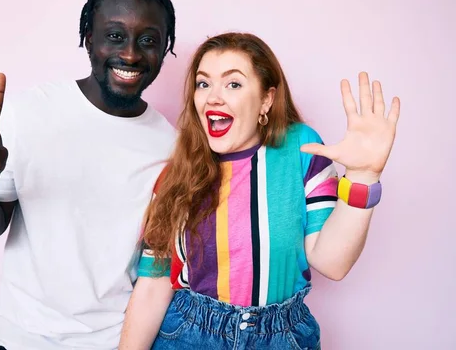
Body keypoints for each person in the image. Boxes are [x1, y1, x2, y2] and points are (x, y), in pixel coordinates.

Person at [118, 32, 400, 349]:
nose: (213, 97)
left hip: (281, 336)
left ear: (266, 99)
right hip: (189, 334)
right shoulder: (176, 176)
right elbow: (154, 284)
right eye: (203, 83)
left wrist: (363, 176)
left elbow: (333, 263)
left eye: (233, 84)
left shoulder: (301, 147)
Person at [0, 0, 178, 350]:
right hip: (20, 339)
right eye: (115, 36)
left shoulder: (170, 146)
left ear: (164, 47)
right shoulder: (30, 113)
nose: (132, 54)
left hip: (113, 343)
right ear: (89, 38)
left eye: (149, 41)